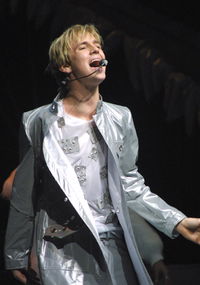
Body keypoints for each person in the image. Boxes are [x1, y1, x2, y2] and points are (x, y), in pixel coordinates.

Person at [4, 24, 200, 285]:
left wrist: (177, 222)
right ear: (65, 66)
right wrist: (16, 254)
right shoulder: (38, 121)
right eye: (84, 47)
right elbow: (24, 193)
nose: (96, 48)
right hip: (60, 247)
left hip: (114, 243)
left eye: (98, 45)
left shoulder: (121, 117)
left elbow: (130, 183)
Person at [2, 169, 171, 284]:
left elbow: (125, 214)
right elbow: (11, 191)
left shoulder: (103, 157)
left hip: (104, 250)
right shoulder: (46, 148)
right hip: (57, 249)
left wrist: (154, 255)